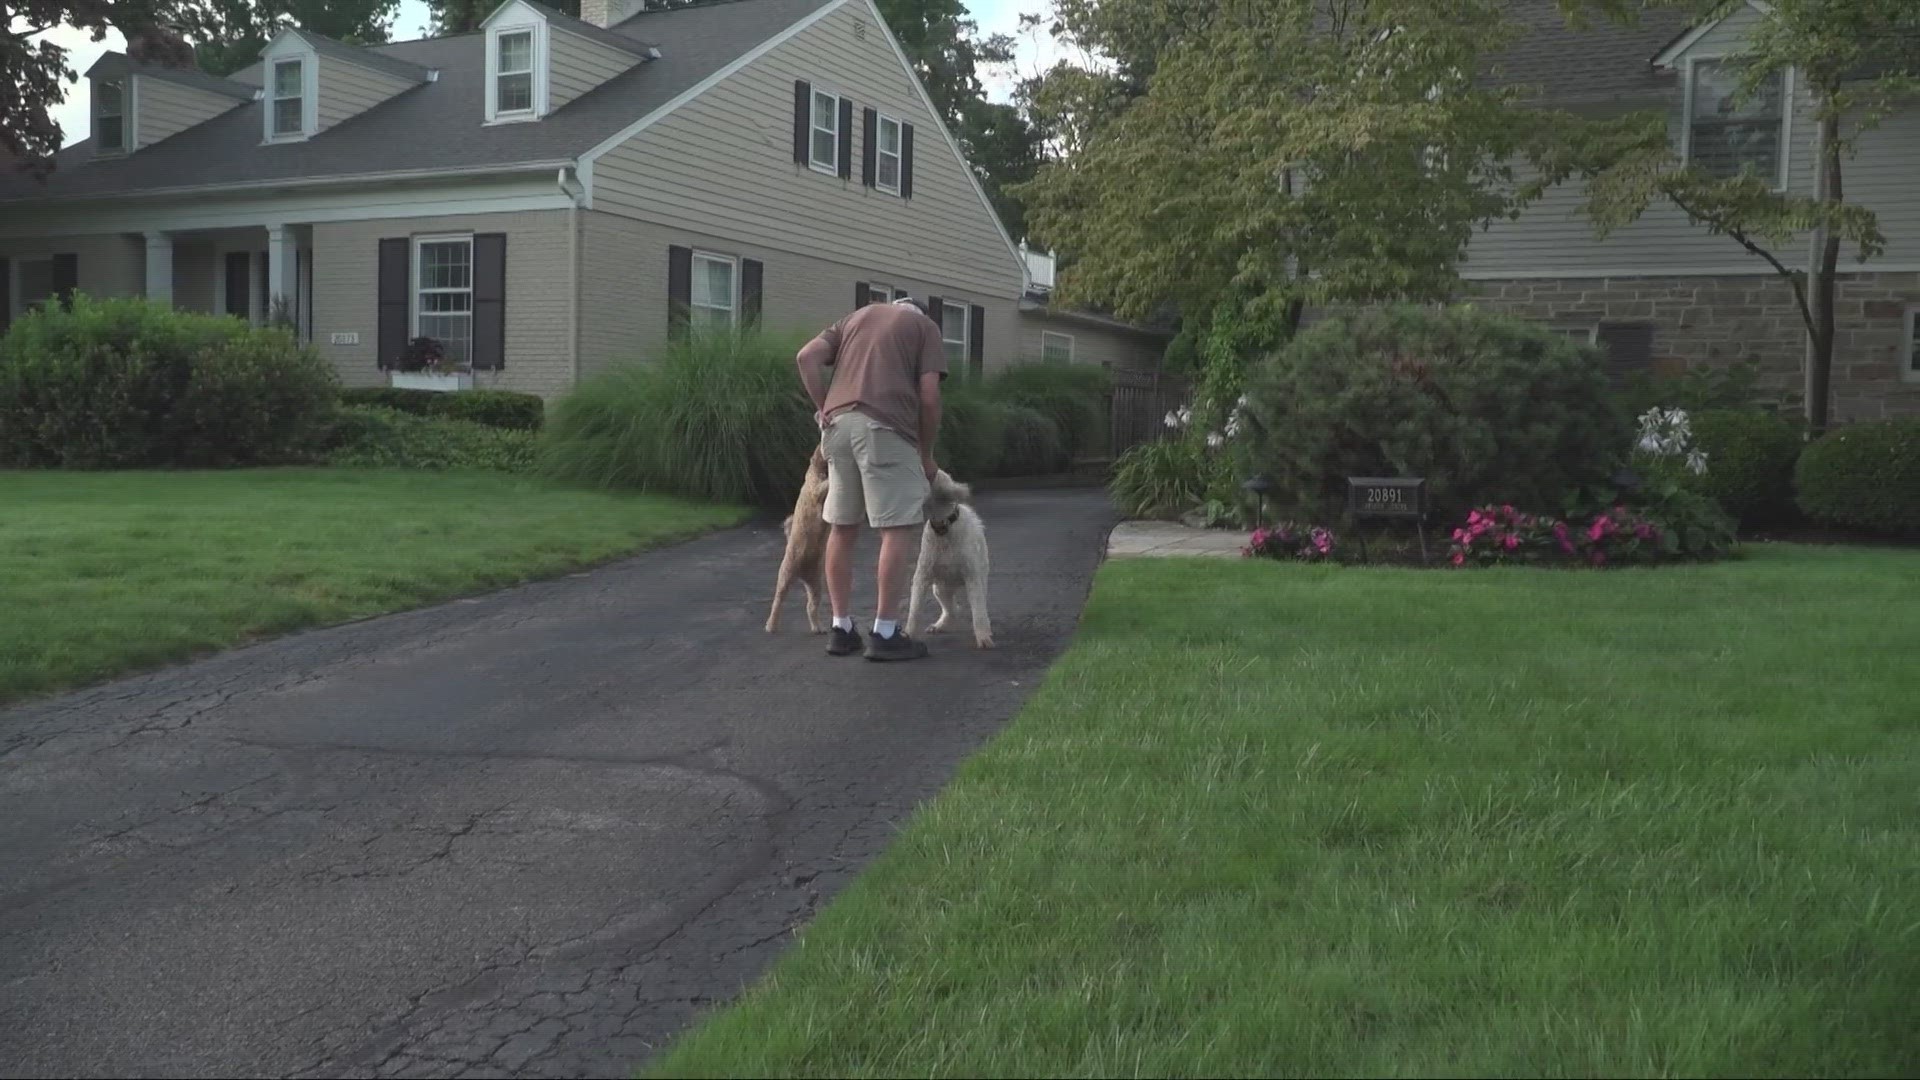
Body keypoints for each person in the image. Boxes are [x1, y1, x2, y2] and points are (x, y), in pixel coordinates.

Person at [795, 296, 946, 661]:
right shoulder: (924, 327)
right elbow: (929, 398)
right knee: (896, 529)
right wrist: (925, 453)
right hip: (885, 429)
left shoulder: (853, 318)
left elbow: (806, 358)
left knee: (842, 527)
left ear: (893, 304)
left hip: (837, 430)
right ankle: (885, 631)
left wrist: (822, 406)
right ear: (918, 313)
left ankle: (842, 628)